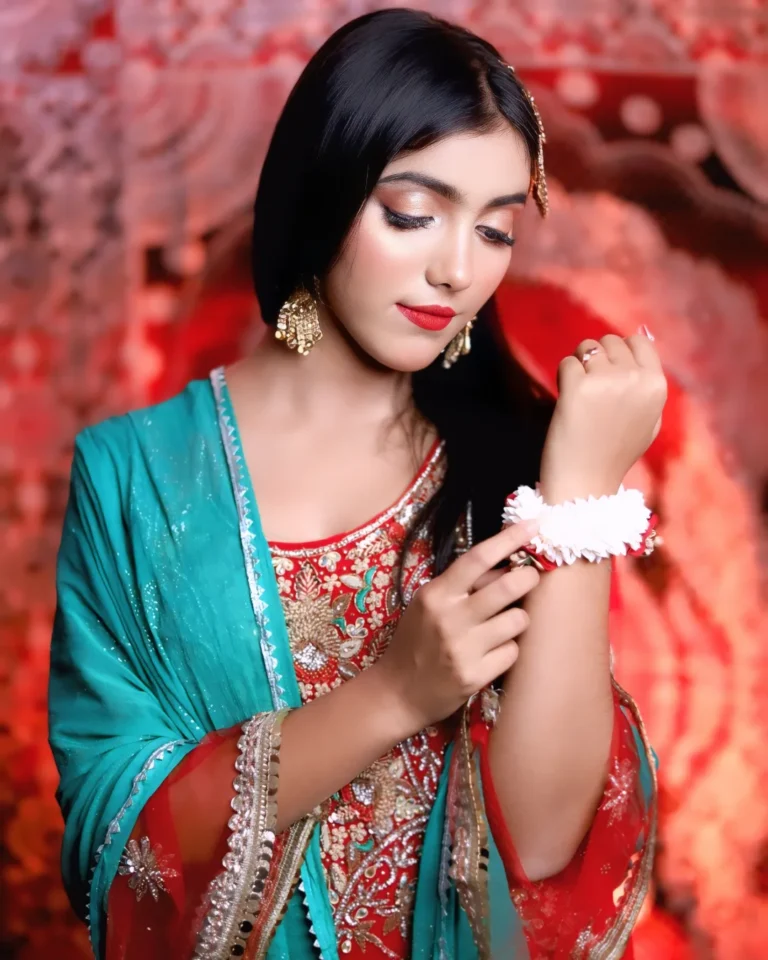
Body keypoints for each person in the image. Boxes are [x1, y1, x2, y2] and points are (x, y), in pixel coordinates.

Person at [48, 9, 664, 960]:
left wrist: (581, 496)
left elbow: (546, 849)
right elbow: (120, 848)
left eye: (496, 229)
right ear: (321, 189)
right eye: (413, 214)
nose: (457, 269)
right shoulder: (133, 479)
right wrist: (392, 696)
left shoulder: (521, 461)